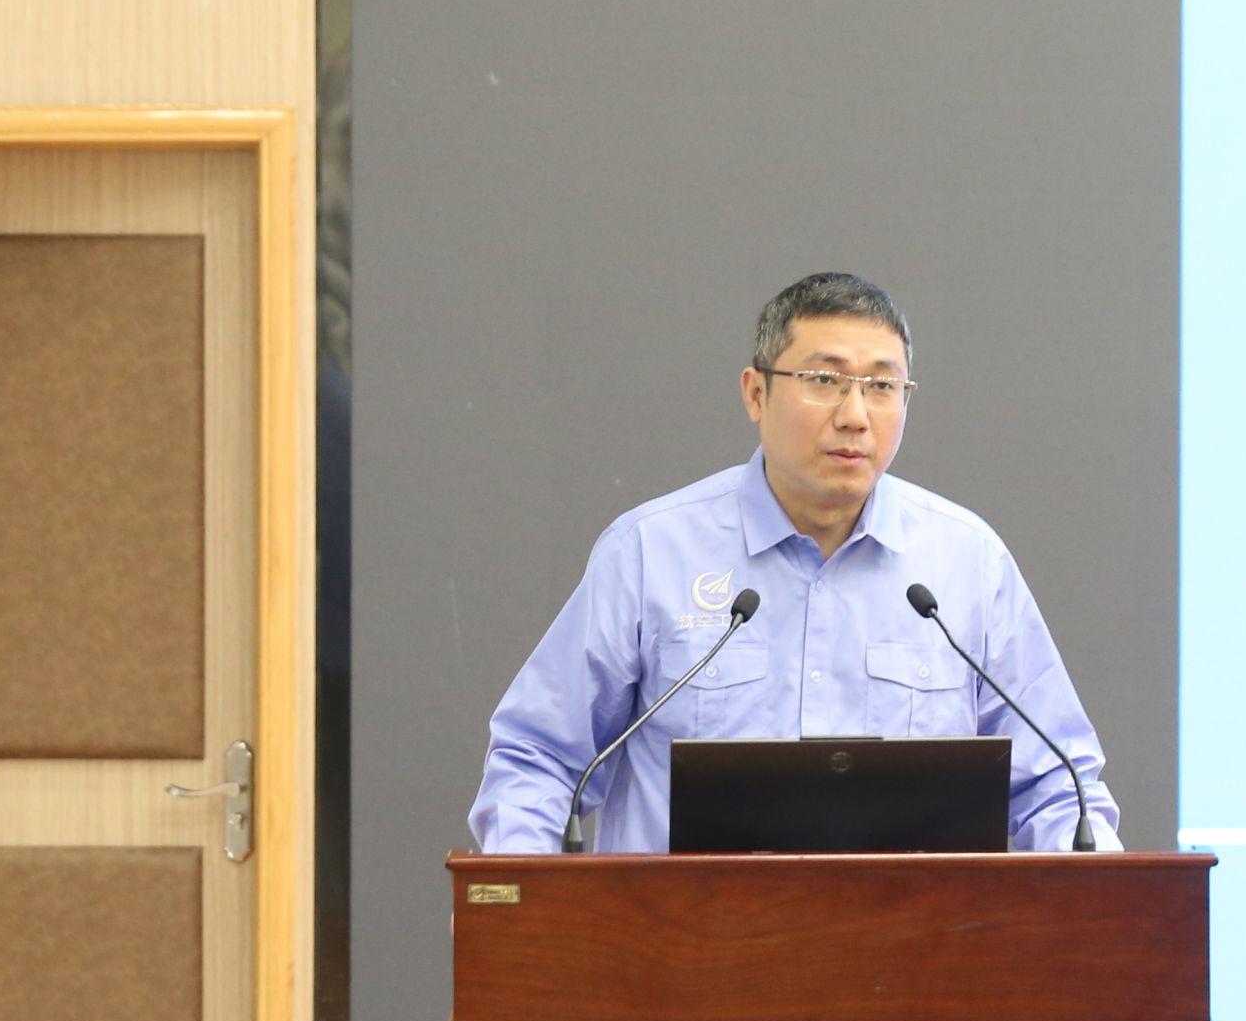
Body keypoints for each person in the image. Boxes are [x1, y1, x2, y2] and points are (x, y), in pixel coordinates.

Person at [468, 272, 1120, 853]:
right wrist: (524, 914)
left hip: (911, 943)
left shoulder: (967, 562)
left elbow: (1059, 786)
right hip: (683, 943)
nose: (855, 415)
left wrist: (1102, 906)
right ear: (756, 393)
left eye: (883, 386)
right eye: (824, 381)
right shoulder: (649, 552)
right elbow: (538, 759)